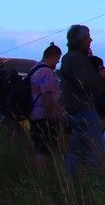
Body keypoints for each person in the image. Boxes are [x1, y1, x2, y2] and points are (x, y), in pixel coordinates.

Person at [60, 24, 105, 174]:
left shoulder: (71, 58)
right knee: (96, 150)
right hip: (84, 110)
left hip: (76, 110)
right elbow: (84, 84)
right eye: (88, 37)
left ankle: (71, 184)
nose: (91, 40)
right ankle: (94, 183)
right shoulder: (75, 59)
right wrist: (101, 77)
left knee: (76, 152)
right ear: (81, 40)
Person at [28, 42, 64, 170]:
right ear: (53, 56)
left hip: (34, 114)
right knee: (45, 148)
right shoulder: (46, 72)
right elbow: (47, 95)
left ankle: (40, 175)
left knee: (39, 145)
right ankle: (43, 176)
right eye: (57, 59)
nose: (57, 63)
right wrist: (52, 115)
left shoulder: (35, 68)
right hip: (44, 116)